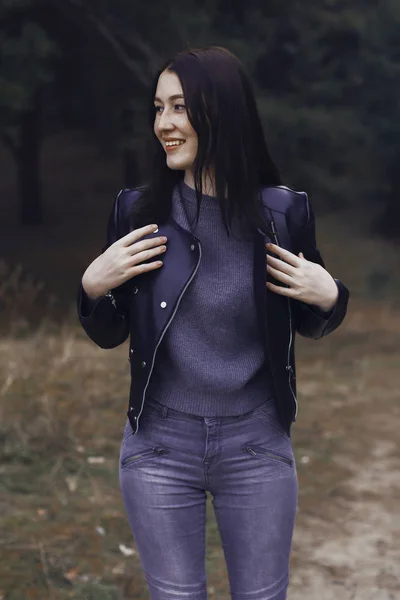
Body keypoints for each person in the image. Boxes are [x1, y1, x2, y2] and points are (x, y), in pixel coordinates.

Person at [77, 46, 349, 600]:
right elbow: (110, 333)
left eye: (179, 107)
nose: (164, 124)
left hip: (256, 443)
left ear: (221, 112)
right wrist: (92, 288)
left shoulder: (283, 212)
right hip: (158, 445)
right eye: (158, 107)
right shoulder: (136, 213)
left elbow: (308, 318)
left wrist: (330, 297)